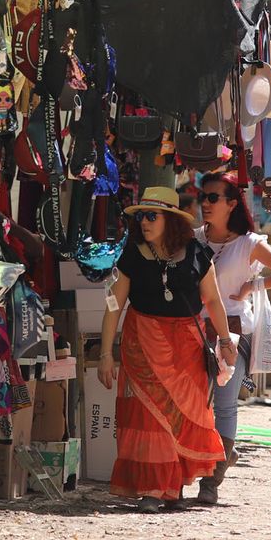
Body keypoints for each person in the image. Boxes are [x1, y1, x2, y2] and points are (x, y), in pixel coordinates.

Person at [98, 186, 238, 511]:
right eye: (141, 217)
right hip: (141, 342)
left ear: (171, 220)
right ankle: (153, 488)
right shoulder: (132, 254)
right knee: (150, 417)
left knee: (181, 416)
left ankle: (173, 487)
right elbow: (113, 306)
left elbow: (213, 301)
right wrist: (105, 354)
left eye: (152, 216)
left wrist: (225, 340)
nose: (144, 223)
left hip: (186, 347)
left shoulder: (197, 253)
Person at [194, 173, 271, 504]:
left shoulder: (248, 243)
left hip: (233, 331)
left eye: (213, 198)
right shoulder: (194, 239)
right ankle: (219, 456)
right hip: (194, 328)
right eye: (203, 197)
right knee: (194, 403)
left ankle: (211, 482)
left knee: (224, 405)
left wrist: (253, 286)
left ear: (231, 204)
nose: (206, 203)